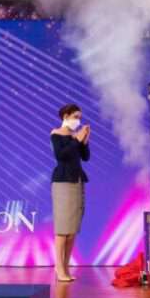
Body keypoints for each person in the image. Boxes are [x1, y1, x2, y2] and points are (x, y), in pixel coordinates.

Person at [51, 104, 90, 282]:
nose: (78, 120)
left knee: (72, 229)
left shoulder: (76, 135)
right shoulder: (56, 134)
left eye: (79, 117)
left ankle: (66, 266)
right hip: (63, 182)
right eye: (75, 116)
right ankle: (59, 267)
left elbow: (85, 157)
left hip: (77, 181)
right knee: (63, 229)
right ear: (65, 116)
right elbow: (61, 155)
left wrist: (85, 139)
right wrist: (76, 139)